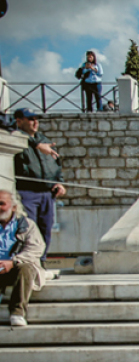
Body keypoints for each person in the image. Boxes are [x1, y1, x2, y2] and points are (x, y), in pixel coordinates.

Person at [12, 108, 65, 262]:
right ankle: (30, 262)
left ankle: (41, 262)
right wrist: (37, 145)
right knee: (29, 230)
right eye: (30, 119)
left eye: (36, 119)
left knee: (45, 230)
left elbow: (56, 163)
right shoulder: (17, 138)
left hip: (47, 193)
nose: (35, 122)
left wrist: (59, 182)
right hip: (27, 192)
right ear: (19, 121)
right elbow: (16, 136)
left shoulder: (44, 140)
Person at [0, 190, 48, 327]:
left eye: (1, 204)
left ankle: (17, 312)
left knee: (26, 268)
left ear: (14, 207)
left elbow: (35, 249)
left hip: (15, 268)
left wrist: (13, 262)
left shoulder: (27, 225)